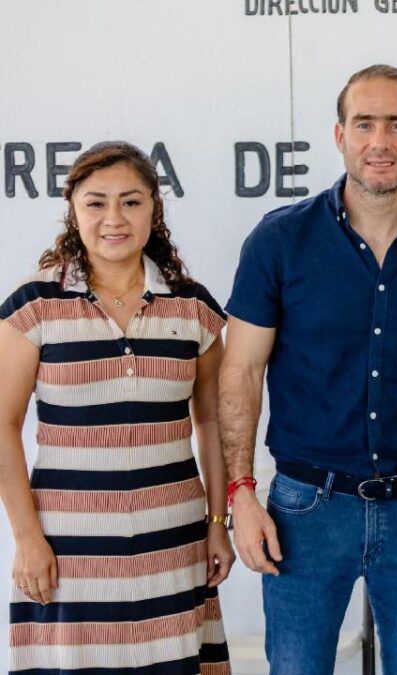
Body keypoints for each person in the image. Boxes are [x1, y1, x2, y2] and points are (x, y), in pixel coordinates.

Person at [219, 64, 397, 674]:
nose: (380, 141)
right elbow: (240, 371)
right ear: (339, 135)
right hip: (303, 510)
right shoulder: (279, 241)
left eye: (396, 125)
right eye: (365, 124)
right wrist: (240, 493)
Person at [0, 141, 232, 673]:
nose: (113, 219)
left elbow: (214, 421)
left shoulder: (193, 307)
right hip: (67, 553)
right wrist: (27, 538)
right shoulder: (35, 306)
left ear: (154, 208)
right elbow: (2, 424)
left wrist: (217, 522)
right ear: (73, 210)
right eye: (95, 202)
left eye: (130, 202)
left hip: (172, 548)